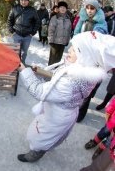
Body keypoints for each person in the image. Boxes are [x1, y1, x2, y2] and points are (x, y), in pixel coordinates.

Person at [17, 31, 115, 163]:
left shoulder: (72, 82)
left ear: (85, 57)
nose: (69, 50)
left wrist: (24, 70)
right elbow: (58, 78)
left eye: (75, 50)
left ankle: (36, 153)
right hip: (63, 112)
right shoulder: (80, 70)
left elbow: (39, 91)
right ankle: (44, 147)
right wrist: (39, 71)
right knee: (51, 135)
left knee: (41, 135)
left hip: (57, 116)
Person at [74, 0, 108, 122]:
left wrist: (93, 37)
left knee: (87, 90)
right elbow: (76, 34)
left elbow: (99, 36)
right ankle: (73, 109)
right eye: (87, 7)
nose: (89, 10)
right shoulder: (82, 19)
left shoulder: (101, 22)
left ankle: (80, 115)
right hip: (80, 56)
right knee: (77, 85)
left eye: (92, 8)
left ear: (96, 9)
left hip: (92, 60)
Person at [7, 0, 40, 64]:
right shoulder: (14, 8)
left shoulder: (32, 10)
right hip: (17, 34)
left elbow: (37, 22)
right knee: (16, 51)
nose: (23, 2)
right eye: (22, 0)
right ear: (20, 0)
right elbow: (9, 20)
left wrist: (33, 32)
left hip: (27, 36)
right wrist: (12, 31)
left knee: (24, 52)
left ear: (28, 1)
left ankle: (22, 64)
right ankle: (15, 64)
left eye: (25, 0)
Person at [47, 1, 72, 65]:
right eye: (61, 7)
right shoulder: (55, 18)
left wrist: (67, 41)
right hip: (55, 42)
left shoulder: (68, 19)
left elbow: (69, 31)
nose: (63, 9)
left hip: (63, 43)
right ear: (58, 8)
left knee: (58, 59)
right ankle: (49, 72)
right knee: (52, 59)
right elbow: (50, 30)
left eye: (64, 7)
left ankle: (55, 71)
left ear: (66, 9)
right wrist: (50, 40)